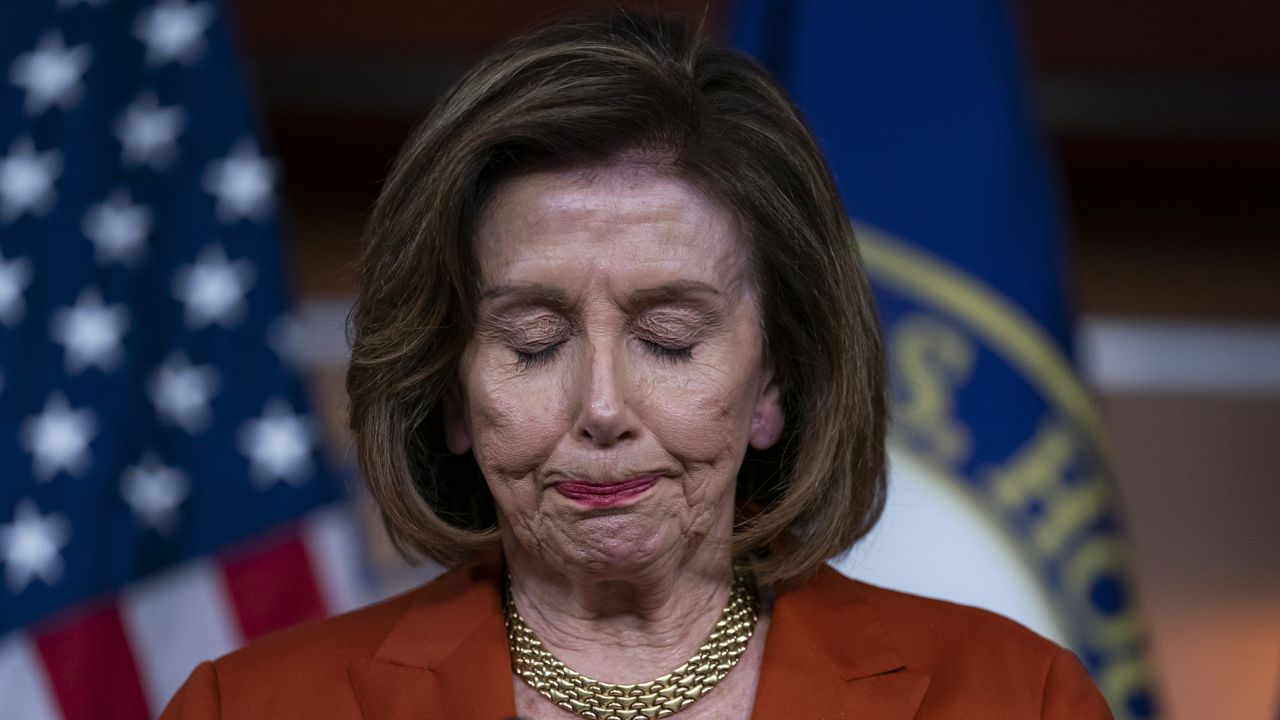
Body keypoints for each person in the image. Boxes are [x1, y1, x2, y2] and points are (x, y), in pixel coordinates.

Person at [162, 10, 1112, 720]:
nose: (603, 406)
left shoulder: (1010, 696)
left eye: (669, 339)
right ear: (448, 388)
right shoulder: (250, 707)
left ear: (774, 381)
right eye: (534, 342)